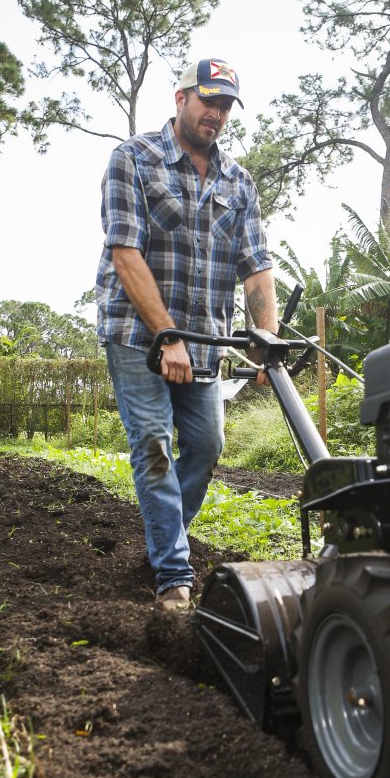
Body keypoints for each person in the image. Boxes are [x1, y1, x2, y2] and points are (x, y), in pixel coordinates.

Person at [96, 58, 278, 609]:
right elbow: (125, 254)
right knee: (153, 446)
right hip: (136, 334)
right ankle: (174, 578)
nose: (216, 114)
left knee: (206, 445)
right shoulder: (133, 159)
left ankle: (162, 540)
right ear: (181, 99)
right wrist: (166, 336)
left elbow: (257, 266)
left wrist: (265, 338)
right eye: (208, 101)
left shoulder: (238, 182)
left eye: (225, 105)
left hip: (204, 339)